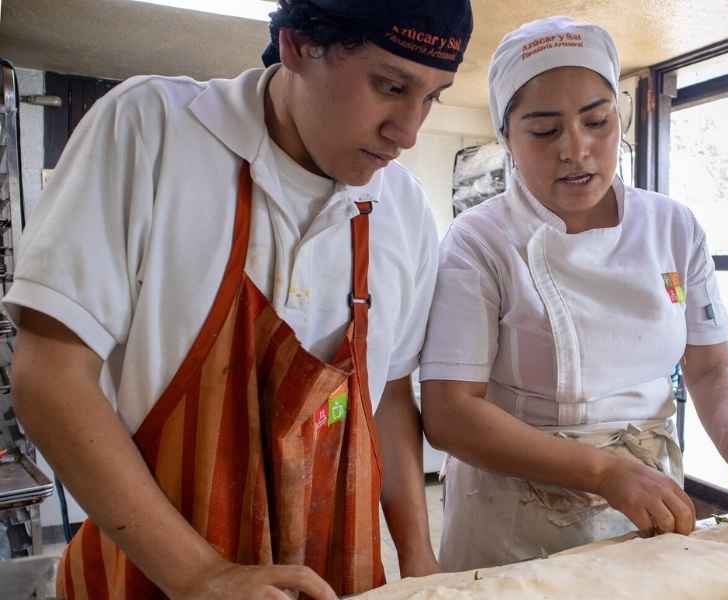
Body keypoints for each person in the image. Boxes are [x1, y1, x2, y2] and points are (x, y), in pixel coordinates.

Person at [5, 1, 473, 598]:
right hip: (152, 574)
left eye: (431, 98)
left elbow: (389, 398)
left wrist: (418, 559)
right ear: (298, 45)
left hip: (331, 578)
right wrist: (201, 574)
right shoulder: (155, 130)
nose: (407, 133)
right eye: (390, 86)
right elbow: (50, 378)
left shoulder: (401, 208)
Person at [419, 15, 728, 572]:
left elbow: (710, 368)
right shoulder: (480, 240)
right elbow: (450, 413)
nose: (576, 149)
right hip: (514, 512)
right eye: (544, 130)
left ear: (619, 117)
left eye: (597, 121)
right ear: (506, 138)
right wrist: (603, 471)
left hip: (647, 499)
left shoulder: (673, 226)